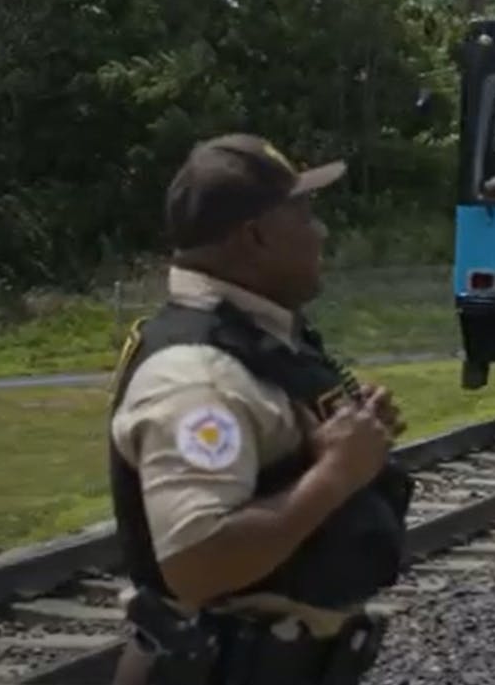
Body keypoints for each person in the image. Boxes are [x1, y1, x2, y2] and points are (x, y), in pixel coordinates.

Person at [107, 134, 414, 685]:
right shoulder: (197, 375)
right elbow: (199, 563)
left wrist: (352, 435)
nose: (320, 232)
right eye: (304, 214)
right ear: (256, 236)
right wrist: (336, 473)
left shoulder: (260, 339)